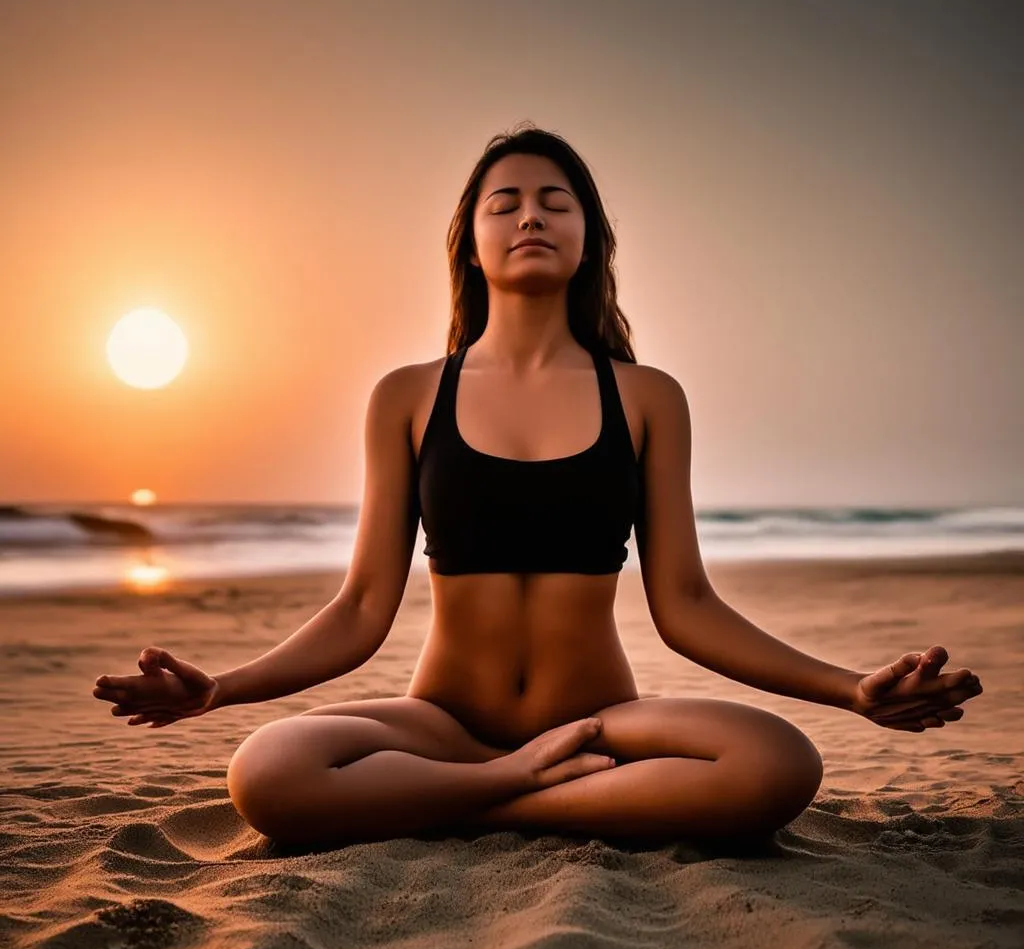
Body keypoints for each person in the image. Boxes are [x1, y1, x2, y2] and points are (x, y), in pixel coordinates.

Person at [92, 125, 984, 848]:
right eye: (505, 202)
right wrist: (224, 689)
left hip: (602, 724)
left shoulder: (645, 398)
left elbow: (687, 604)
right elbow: (363, 607)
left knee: (780, 763)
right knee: (265, 770)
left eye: (556, 203)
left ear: (586, 238)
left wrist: (850, 691)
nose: (531, 217)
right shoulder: (408, 396)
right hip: (441, 725)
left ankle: (479, 805)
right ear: (471, 242)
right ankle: (509, 786)